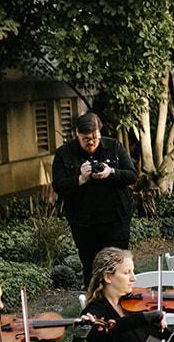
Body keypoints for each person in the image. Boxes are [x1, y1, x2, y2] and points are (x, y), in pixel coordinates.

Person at [51, 112, 136, 283]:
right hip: (84, 223)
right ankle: (93, 297)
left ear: (99, 132)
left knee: (118, 266)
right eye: (86, 139)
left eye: (95, 137)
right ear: (77, 134)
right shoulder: (64, 154)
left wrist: (112, 172)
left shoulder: (114, 147)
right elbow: (58, 186)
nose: (91, 142)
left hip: (116, 219)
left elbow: (132, 176)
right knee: (91, 269)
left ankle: (121, 296)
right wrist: (80, 179)